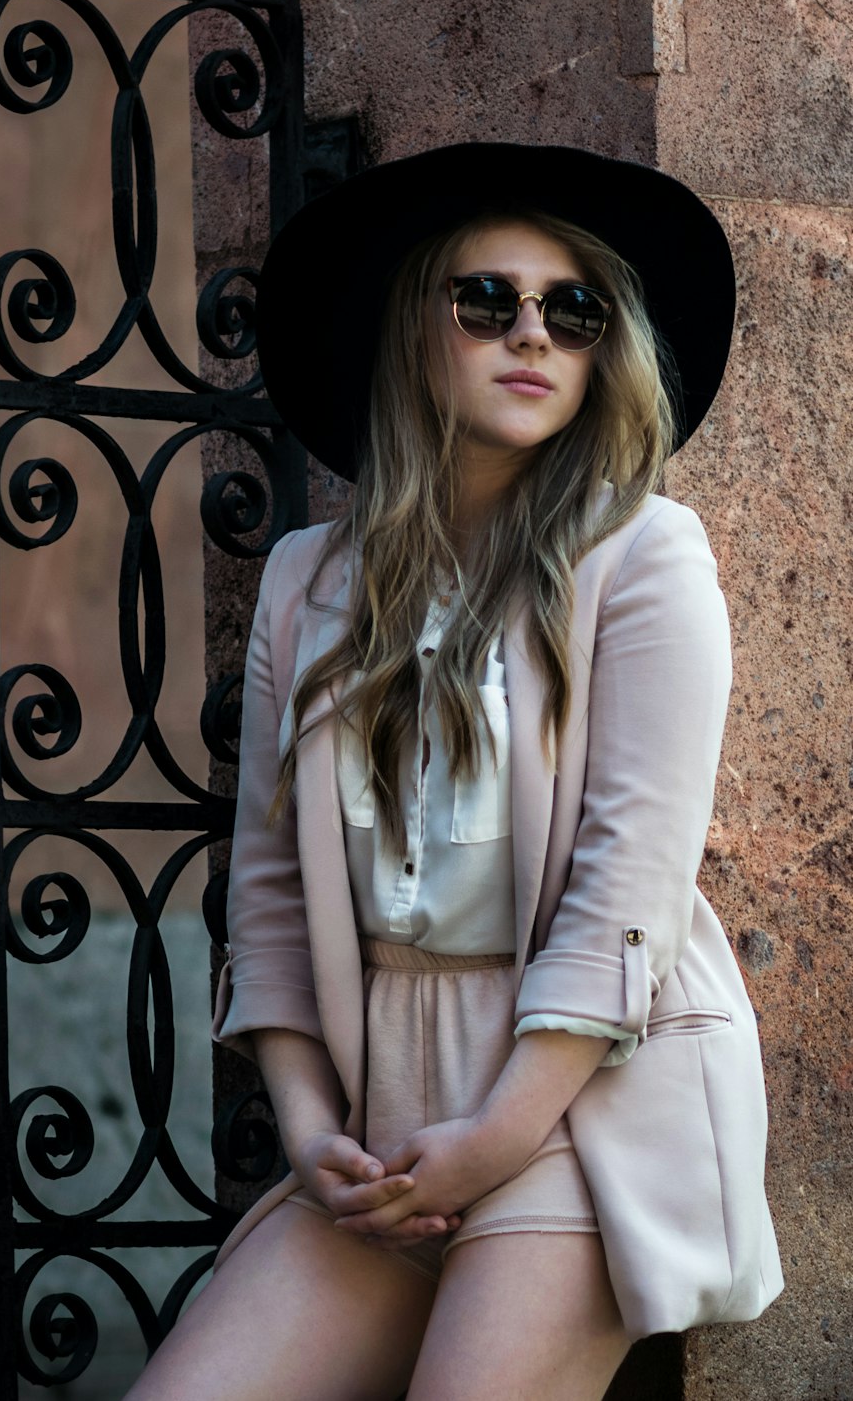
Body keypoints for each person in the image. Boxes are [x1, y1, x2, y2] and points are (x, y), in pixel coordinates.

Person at [125, 143, 782, 1401]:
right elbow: (265, 893)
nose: (530, 334)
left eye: (571, 310)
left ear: (604, 351)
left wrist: (494, 1140)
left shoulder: (645, 556)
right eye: (487, 301)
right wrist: (313, 1131)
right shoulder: (306, 584)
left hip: (583, 1105)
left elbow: (625, 895)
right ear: (412, 325)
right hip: (381, 1121)